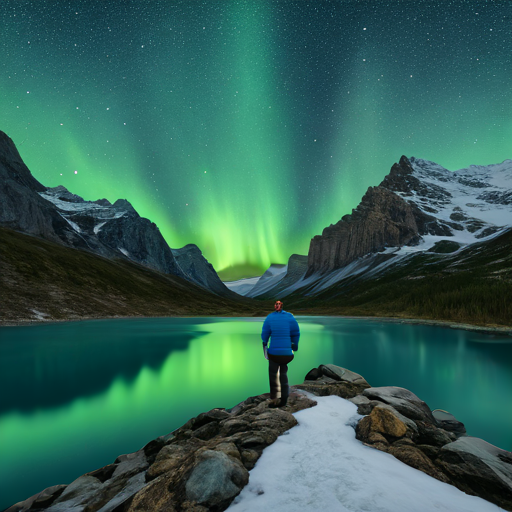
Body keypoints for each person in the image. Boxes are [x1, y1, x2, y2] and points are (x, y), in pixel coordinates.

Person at [261, 300, 300, 408]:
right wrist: (295, 345)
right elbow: (296, 332)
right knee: (283, 374)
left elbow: (265, 333)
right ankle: (284, 400)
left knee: (273, 374)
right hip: (287, 354)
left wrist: (264, 343)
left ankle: (274, 399)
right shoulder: (290, 317)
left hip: (274, 353)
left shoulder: (270, 317)